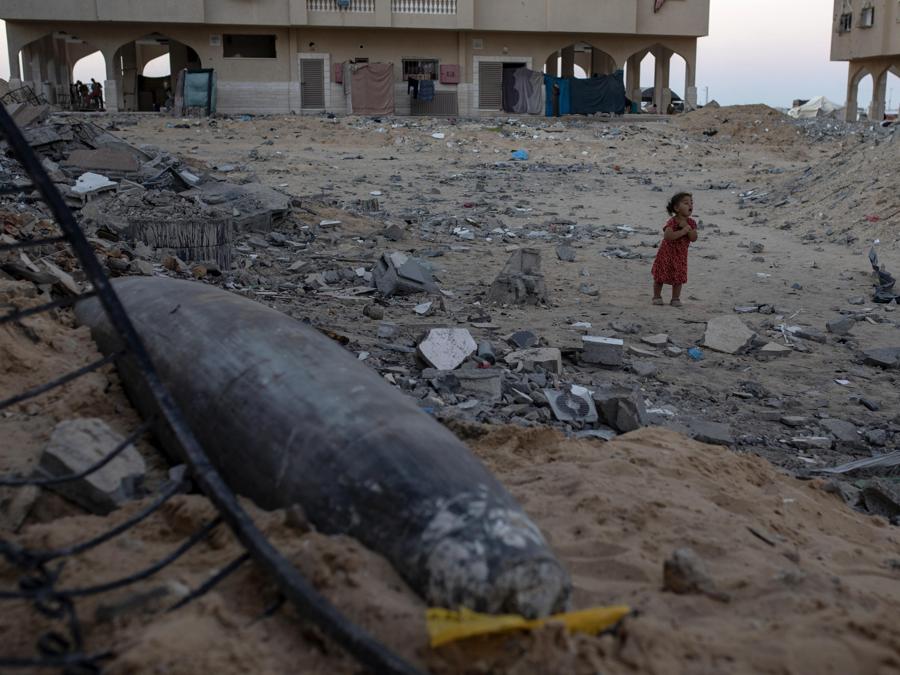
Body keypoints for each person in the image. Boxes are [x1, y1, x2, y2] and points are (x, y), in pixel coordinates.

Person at [651, 192, 698, 307]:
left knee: (679, 277)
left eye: (691, 203)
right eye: (686, 203)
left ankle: (675, 298)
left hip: (680, 256)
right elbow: (668, 236)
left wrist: (689, 229)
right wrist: (682, 231)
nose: (690, 205)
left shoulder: (691, 223)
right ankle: (657, 296)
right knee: (660, 276)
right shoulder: (672, 222)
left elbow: (694, 238)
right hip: (666, 254)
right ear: (676, 208)